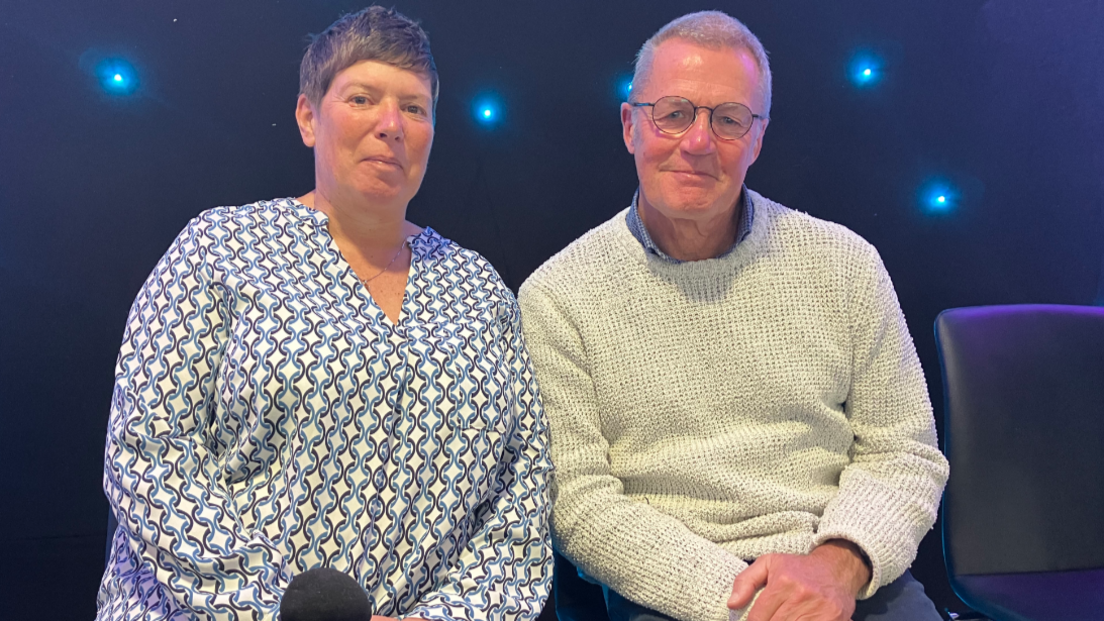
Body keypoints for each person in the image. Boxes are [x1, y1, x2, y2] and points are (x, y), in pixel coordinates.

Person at [96, 7, 552, 621]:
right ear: (309, 117)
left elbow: (521, 491)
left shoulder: (478, 287)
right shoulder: (219, 249)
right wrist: (272, 612)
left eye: (415, 108)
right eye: (363, 98)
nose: (391, 124)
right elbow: (147, 455)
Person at [518, 11, 949, 621]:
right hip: (671, 595)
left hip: (845, 578)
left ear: (758, 139)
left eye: (728, 119)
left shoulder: (846, 264)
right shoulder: (557, 297)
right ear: (630, 126)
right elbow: (579, 506)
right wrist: (758, 604)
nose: (697, 142)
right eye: (673, 113)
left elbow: (904, 452)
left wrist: (834, 567)